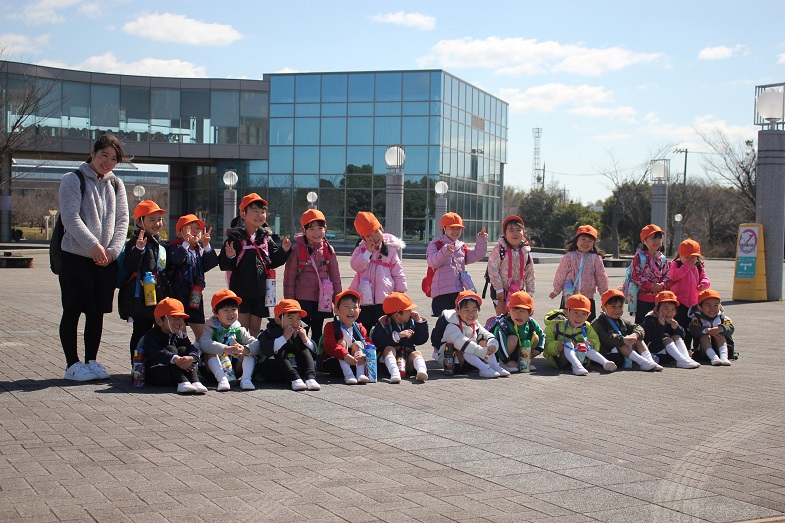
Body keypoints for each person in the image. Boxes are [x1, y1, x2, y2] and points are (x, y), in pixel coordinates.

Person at [58, 134, 129, 381]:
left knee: (96, 312)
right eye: (103, 156)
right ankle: (72, 364)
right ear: (92, 152)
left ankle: (91, 360)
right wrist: (93, 246)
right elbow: (70, 217)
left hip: (106, 260)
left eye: (113, 159)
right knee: (72, 310)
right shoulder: (72, 179)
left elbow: (122, 221)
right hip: (76, 257)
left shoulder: (116, 184)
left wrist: (112, 251)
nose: (107, 162)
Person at [219, 193, 292, 335]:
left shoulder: (266, 238)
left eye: (262, 212)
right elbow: (225, 265)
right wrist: (230, 255)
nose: (260, 215)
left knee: (255, 327)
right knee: (242, 327)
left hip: (260, 291)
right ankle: (240, 349)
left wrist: (284, 250)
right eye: (255, 211)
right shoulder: (235, 238)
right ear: (243, 214)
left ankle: (252, 349)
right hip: (241, 290)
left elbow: (273, 261)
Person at [119, 200, 169, 360]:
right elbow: (131, 265)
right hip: (139, 298)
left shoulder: (156, 242)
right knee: (140, 331)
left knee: (152, 330)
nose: (157, 223)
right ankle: (137, 365)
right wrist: (139, 249)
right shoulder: (136, 242)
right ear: (140, 222)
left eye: (159, 219)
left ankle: (148, 362)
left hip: (153, 297)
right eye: (151, 220)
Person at [282, 209, 340, 344]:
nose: (316, 233)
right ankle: (301, 353)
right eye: (312, 229)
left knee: (318, 330)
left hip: (323, 299)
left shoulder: (328, 250)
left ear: (325, 229)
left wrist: (338, 300)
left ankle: (316, 354)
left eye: (320, 228)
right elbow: (289, 278)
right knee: (300, 330)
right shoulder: (297, 250)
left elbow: (335, 277)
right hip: (302, 300)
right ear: (303, 230)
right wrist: (290, 302)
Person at [349, 211, 407, 333]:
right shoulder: (361, 249)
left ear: (381, 229)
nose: (374, 237)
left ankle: (381, 344)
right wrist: (367, 253)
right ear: (363, 238)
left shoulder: (391, 249)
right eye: (369, 235)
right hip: (363, 297)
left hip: (384, 298)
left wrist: (400, 291)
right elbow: (356, 266)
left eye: (376, 232)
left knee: (382, 327)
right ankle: (366, 343)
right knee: (364, 326)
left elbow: (398, 272)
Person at [166, 214, 219, 344]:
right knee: (180, 329)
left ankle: (202, 350)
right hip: (178, 294)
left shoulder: (198, 250)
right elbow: (176, 260)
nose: (195, 231)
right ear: (179, 233)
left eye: (198, 229)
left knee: (202, 331)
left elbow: (210, 263)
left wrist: (206, 245)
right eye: (190, 228)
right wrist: (185, 244)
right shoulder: (175, 247)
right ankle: (183, 349)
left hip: (195, 294)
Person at [426, 212, 488, 317]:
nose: (456, 231)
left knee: (458, 321)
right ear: (443, 228)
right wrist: (444, 251)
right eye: (452, 228)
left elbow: (477, 255)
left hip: (458, 291)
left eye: (458, 228)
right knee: (444, 322)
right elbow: (432, 262)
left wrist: (481, 240)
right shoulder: (436, 244)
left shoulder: (461, 246)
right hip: (441, 293)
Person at [435, 290, 506, 378]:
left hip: (471, 360)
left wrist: (492, 345)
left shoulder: (474, 323)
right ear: (457, 310)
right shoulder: (451, 325)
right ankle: (484, 369)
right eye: (466, 310)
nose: (471, 313)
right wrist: (481, 351)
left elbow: (486, 334)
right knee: (465, 348)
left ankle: (494, 366)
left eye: (474, 310)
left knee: (483, 341)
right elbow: (461, 342)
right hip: (452, 363)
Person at [143, 298, 208, 394]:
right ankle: (183, 382)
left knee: (183, 349)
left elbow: (190, 347)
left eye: (181, 317)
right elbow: (154, 352)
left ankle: (195, 381)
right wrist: (175, 358)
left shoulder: (179, 334)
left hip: (174, 374)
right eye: (173, 317)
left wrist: (191, 358)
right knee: (171, 349)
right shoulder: (152, 335)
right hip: (157, 374)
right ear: (159, 321)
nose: (179, 321)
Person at [200, 290, 261, 391]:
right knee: (210, 352)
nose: (230, 313)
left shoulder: (238, 329)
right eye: (225, 310)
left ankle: (246, 379)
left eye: (234, 309)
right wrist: (225, 349)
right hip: (213, 373)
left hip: (235, 370)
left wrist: (244, 349)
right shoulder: (210, 327)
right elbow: (203, 343)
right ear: (215, 312)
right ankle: (222, 380)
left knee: (248, 353)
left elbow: (257, 344)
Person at [543, 294, 615, 376]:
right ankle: (577, 366)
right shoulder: (555, 325)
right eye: (576, 312)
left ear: (588, 315)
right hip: (561, 359)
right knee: (568, 344)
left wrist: (591, 343)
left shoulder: (587, 326)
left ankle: (605, 362)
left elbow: (595, 340)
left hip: (581, 357)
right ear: (566, 312)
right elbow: (546, 343)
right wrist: (556, 346)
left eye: (584, 314)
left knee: (585, 346)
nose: (579, 317)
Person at [592, 289, 663, 372]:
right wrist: (623, 339)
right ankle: (643, 362)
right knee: (621, 343)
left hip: (622, 355)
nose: (617, 310)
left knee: (638, 338)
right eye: (613, 307)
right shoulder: (598, 323)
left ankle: (649, 360)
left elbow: (638, 328)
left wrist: (635, 335)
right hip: (609, 355)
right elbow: (606, 339)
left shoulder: (620, 320)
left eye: (620, 307)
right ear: (603, 308)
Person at [258, 299, 321, 391]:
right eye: (290, 318)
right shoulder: (270, 332)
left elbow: (314, 352)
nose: (295, 323)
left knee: (304, 348)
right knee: (280, 350)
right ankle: (294, 378)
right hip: (275, 370)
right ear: (278, 320)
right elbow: (266, 349)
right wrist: (284, 338)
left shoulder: (299, 332)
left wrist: (306, 340)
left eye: (298, 319)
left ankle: (310, 377)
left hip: (297, 369)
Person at [549, 225, 608, 322]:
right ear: (576, 240)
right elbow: (561, 273)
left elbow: (601, 276)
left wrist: (604, 294)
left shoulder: (595, 258)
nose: (586, 243)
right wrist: (556, 290)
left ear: (593, 243)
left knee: (587, 323)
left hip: (587, 298)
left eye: (590, 241)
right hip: (569, 297)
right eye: (583, 239)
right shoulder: (569, 256)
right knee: (567, 321)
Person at [370, 292, 429, 383]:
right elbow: (378, 341)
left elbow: (421, 339)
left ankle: (421, 371)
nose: (411, 312)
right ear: (397, 315)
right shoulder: (384, 324)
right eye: (408, 310)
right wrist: (397, 335)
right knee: (389, 349)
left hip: (406, 362)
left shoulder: (411, 322)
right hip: (387, 364)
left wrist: (419, 321)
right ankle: (394, 373)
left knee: (417, 353)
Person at [486, 215, 535, 316]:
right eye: (511, 230)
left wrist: (530, 292)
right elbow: (493, 269)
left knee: (517, 317)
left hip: (518, 291)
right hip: (501, 292)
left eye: (518, 230)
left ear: (523, 232)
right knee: (503, 318)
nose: (515, 233)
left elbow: (530, 272)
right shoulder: (499, 249)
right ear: (505, 233)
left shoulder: (525, 251)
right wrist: (499, 289)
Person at [488, 291, 545, 374]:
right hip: (499, 355)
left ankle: (523, 361)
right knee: (513, 338)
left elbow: (542, 335)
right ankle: (502, 364)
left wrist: (538, 349)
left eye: (522, 311)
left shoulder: (531, 323)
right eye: (514, 310)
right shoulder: (503, 324)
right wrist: (507, 361)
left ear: (531, 313)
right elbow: (500, 344)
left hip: (517, 352)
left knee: (535, 337)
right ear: (509, 310)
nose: (517, 315)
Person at [320, 290, 370, 385]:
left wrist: (365, 355)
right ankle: (348, 374)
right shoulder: (331, 326)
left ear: (359, 310)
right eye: (346, 307)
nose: (351, 310)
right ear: (336, 310)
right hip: (336, 363)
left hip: (355, 363)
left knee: (358, 343)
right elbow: (329, 346)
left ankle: (360, 374)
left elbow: (368, 343)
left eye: (354, 307)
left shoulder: (359, 327)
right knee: (341, 343)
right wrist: (345, 355)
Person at [667, 239, 710, 348]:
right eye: (687, 257)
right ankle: (679, 347)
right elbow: (673, 276)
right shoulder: (675, 265)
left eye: (693, 258)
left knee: (691, 326)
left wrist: (704, 284)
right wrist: (686, 266)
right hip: (679, 302)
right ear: (680, 255)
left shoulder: (699, 266)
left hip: (693, 303)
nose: (690, 261)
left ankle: (689, 347)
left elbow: (705, 278)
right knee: (679, 326)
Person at [642, 291, 701, 369]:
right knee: (666, 338)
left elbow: (683, 335)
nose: (670, 312)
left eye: (673, 309)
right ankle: (681, 360)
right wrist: (661, 325)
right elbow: (655, 338)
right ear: (656, 309)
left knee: (676, 336)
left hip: (669, 354)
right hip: (655, 352)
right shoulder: (650, 320)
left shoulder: (670, 320)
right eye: (666, 309)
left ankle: (686, 358)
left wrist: (676, 327)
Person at [630, 224, 669, 324]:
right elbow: (635, 275)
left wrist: (662, 285)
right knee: (642, 325)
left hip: (659, 299)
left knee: (658, 324)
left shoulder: (662, 258)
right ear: (644, 241)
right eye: (653, 238)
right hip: (643, 299)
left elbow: (667, 275)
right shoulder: (639, 256)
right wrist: (650, 285)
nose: (656, 241)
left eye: (659, 238)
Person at [688, 289, 734, 366]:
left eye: (716, 305)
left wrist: (720, 328)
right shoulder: (697, 319)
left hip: (723, 347)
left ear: (720, 306)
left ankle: (723, 357)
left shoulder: (723, 318)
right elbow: (693, 329)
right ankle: (713, 357)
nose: (712, 308)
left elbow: (731, 327)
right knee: (704, 337)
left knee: (719, 334)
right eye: (708, 305)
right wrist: (707, 330)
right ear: (700, 307)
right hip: (703, 351)